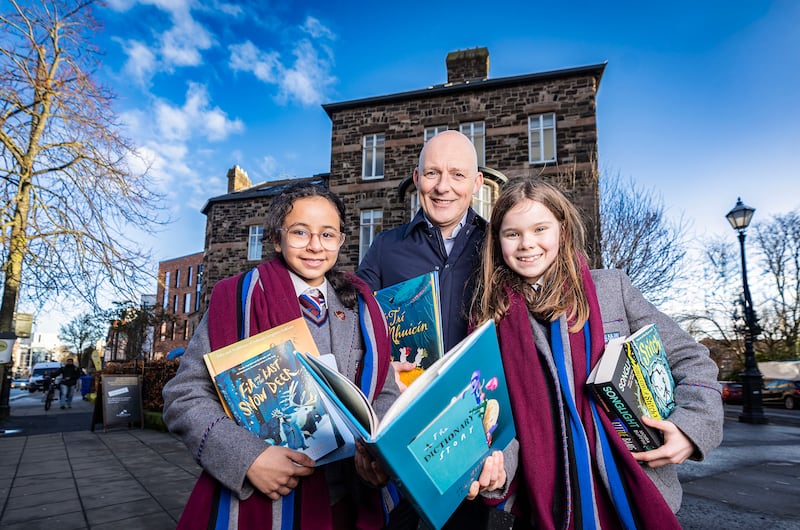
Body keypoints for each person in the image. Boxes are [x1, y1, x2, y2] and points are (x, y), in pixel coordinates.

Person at [470, 178, 724, 528]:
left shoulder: (611, 288)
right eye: (512, 234)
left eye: (540, 228)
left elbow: (691, 359)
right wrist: (497, 474)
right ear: (498, 242)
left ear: (562, 229)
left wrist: (690, 427)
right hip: (549, 506)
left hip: (635, 485)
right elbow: (506, 425)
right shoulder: (491, 321)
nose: (527, 244)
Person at [162, 183, 402, 529]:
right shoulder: (236, 299)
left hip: (348, 501)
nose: (315, 245)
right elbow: (184, 395)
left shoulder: (362, 306)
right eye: (300, 232)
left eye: (328, 234)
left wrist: (378, 455)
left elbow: (383, 391)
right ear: (276, 239)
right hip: (270, 506)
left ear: (341, 241)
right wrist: (249, 458)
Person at [357, 130, 486, 353]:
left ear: (476, 183)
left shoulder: (499, 247)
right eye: (432, 173)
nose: (443, 187)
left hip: (482, 386)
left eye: (457, 175)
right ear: (417, 178)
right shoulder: (384, 248)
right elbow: (353, 326)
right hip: (406, 386)